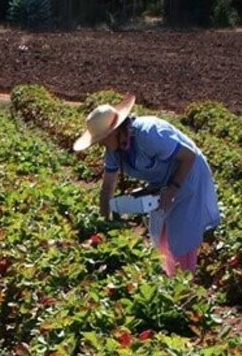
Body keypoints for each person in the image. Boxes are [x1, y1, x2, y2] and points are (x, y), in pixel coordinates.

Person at [73, 95, 221, 276]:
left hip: (189, 176)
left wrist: (173, 188)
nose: (101, 144)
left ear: (116, 131)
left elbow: (188, 156)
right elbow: (107, 189)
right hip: (165, 184)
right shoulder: (114, 152)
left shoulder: (149, 133)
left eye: (102, 139)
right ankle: (169, 277)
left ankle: (184, 284)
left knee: (182, 236)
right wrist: (105, 222)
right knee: (162, 233)